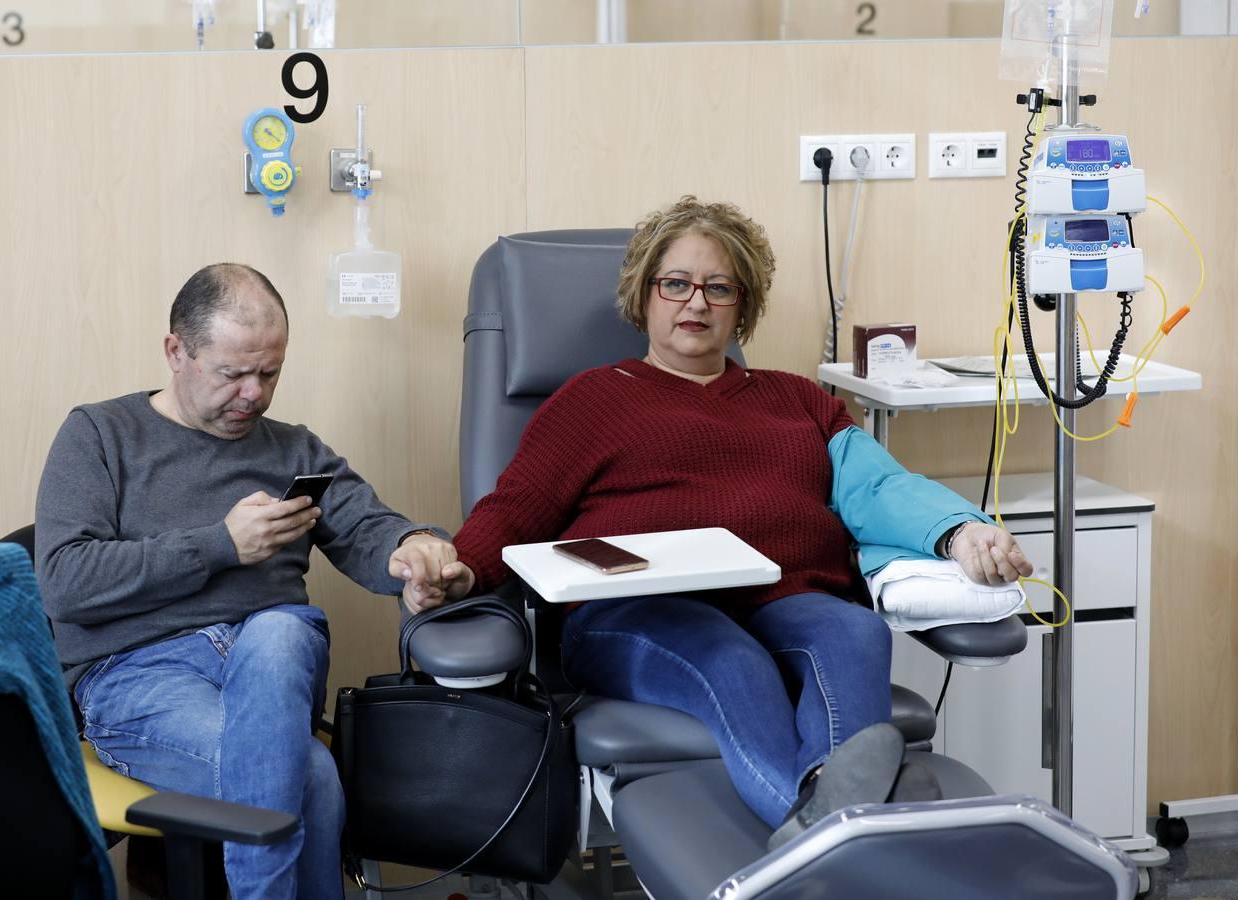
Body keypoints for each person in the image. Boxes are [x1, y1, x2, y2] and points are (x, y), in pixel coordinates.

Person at [419, 197, 1033, 850]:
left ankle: (826, 814)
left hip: (788, 599)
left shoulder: (798, 400)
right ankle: (852, 837)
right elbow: (516, 509)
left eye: (718, 288)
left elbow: (879, 488)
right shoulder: (591, 400)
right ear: (644, 295)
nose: (696, 302)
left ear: (743, 305)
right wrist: (459, 568)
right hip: (639, 612)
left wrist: (962, 533)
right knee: (729, 658)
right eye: (676, 284)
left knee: (855, 631)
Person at [36, 263, 460, 899]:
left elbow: (365, 528)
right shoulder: (99, 435)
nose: (254, 395)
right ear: (177, 351)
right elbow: (65, 582)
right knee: (312, 774)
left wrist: (412, 549)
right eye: (232, 373)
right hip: (139, 676)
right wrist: (220, 546)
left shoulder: (294, 451)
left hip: (273, 668)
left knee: (281, 630)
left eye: (270, 373)